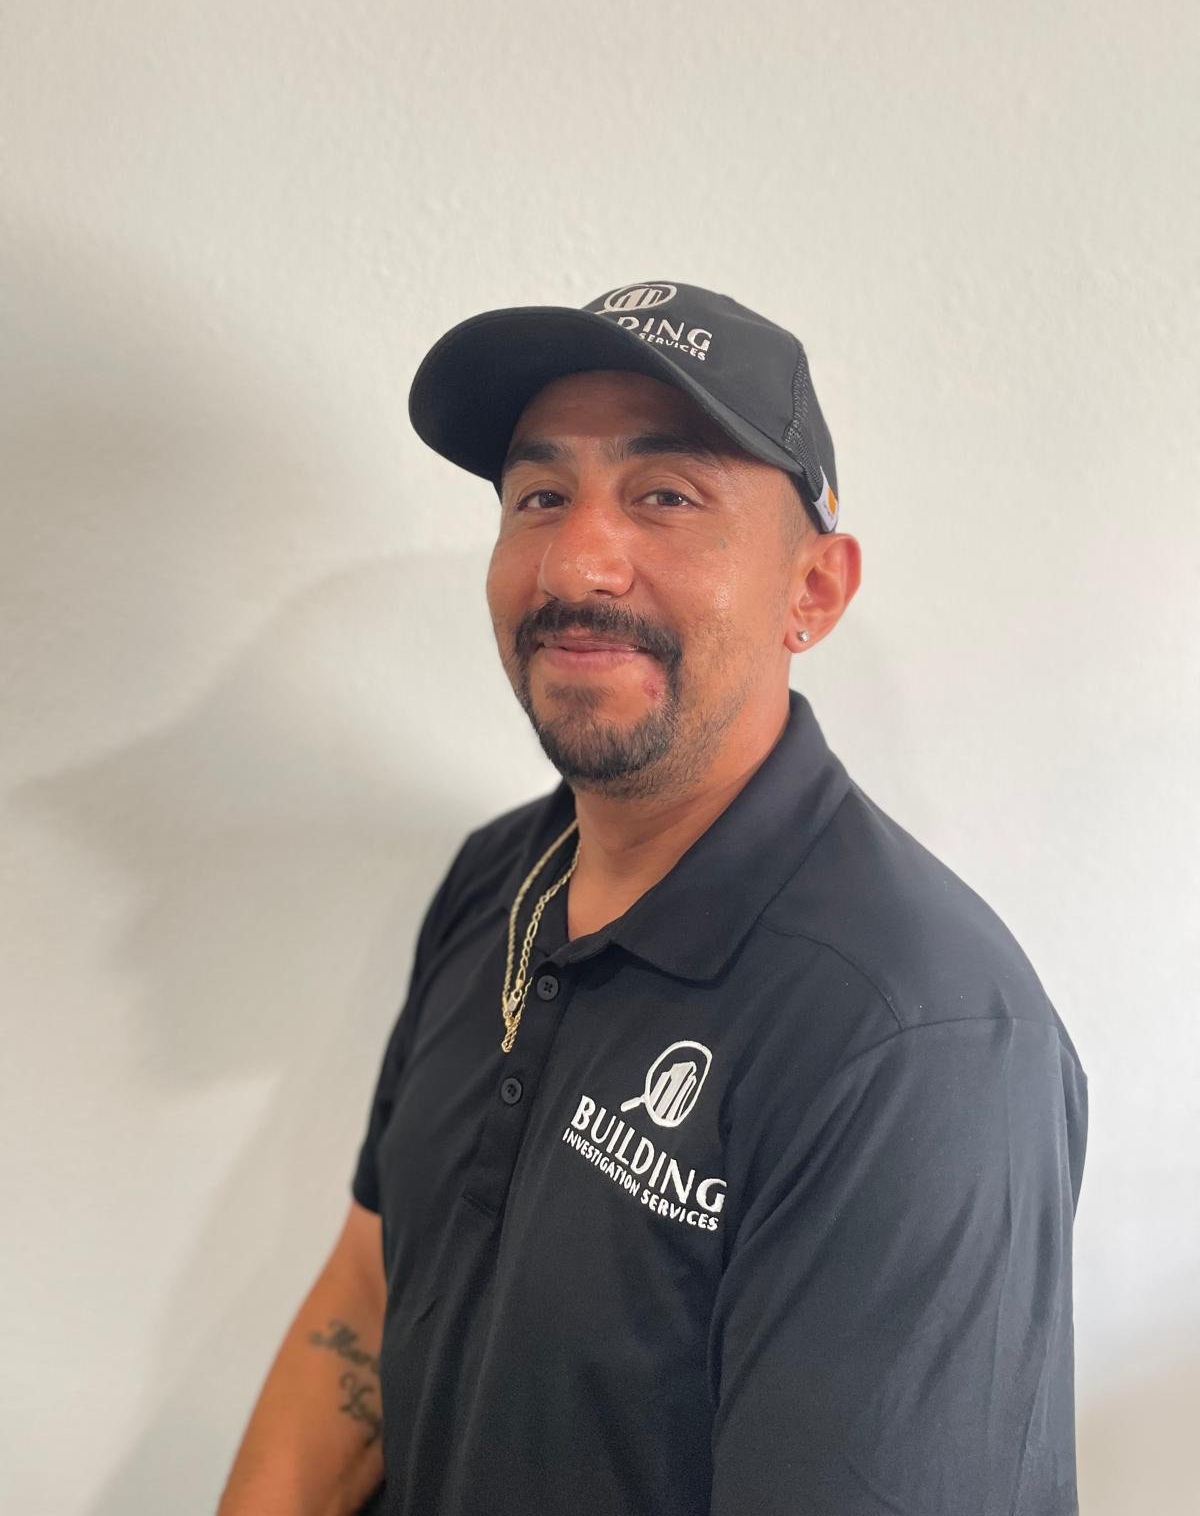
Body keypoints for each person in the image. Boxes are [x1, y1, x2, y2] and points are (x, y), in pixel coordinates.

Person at [217, 280, 1088, 1516]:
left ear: (813, 591)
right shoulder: (499, 881)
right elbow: (368, 1293)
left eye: (667, 495)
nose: (577, 560)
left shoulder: (913, 1042)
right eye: (540, 496)